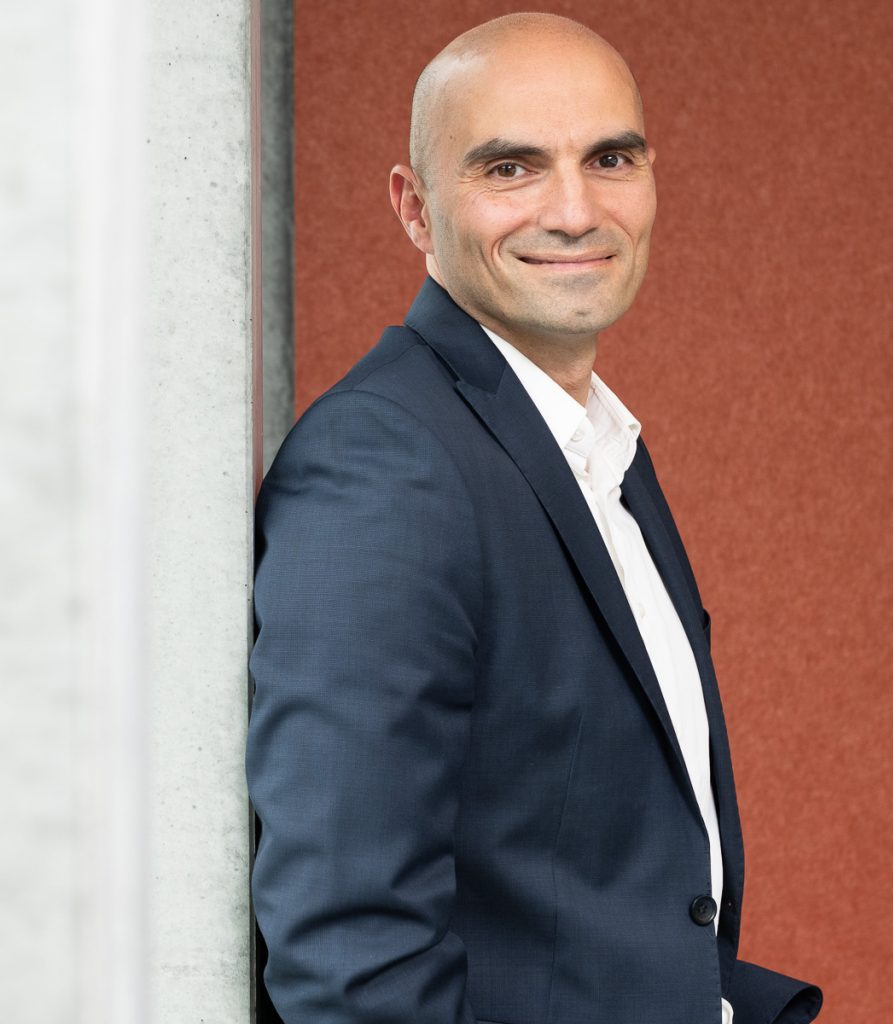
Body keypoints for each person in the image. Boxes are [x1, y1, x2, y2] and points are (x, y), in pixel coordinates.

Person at [246, 13, 822, 1024]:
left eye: (609, 159)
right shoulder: (383, 461)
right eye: (509, 168)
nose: (574, 210)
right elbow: (351, 959)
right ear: (415, 208)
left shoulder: (593, 445)